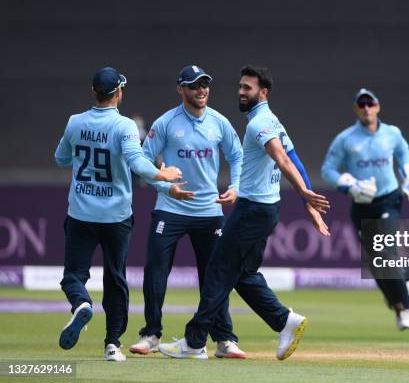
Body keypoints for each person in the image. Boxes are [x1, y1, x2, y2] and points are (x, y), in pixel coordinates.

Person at [157, 65, 330, 361]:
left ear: (263, 93)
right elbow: (295, 159)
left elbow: (285, 161)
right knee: (243, 274)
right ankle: (283, 320)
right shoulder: (272, 120)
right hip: (265, 209)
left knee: (217, 270)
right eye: (240, 86)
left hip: (253, 210)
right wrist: (308, 204)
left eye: (247, 88)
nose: (241, 92)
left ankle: (194, 342)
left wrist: (305, 196)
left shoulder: (259, 123)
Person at [54, 67, 182, 361]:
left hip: (81, 214)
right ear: (119, 93)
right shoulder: (124, 126)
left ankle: (81, 304)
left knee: (73, 275)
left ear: (93, 92)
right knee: (115, 279)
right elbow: (137, 162)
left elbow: (60, 159)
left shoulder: (74, 122)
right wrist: (163, 176)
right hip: (116, 217)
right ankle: (112, 344)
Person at [129, 65, 246, 359]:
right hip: (170, 208)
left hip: (209, 211)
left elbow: (237, 155)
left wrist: (236, 186)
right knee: (156, 272)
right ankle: (151, 335)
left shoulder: (219, 122)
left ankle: (224, 340)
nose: (201, 90)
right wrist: (167, 185)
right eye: (194, 85)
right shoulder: (166, 123)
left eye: (205, 84)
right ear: (181, 89)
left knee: (215, 277)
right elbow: (141, 159)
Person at [321, 88, 409, 330]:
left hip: (389, 200)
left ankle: (407, 306)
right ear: (356, 109)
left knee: (387, 253)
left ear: (377, 107)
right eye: (361, 104)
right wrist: (350, 185)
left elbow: (404, 153)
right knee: (376, 262)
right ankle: (396, 304)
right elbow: (328, 170)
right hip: (362, 205)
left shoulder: (392, 133)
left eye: (370, 103)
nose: (366, 108)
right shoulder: (346, 138)